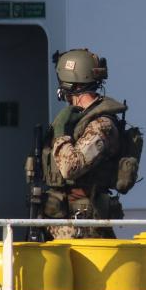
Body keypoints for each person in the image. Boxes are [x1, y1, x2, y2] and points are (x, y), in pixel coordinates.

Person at [41, 48, 132, 239]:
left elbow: (71, 168)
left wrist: (60, 134)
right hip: (62, 221)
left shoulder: (102, 125)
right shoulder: (78, 120)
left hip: (84, 228)